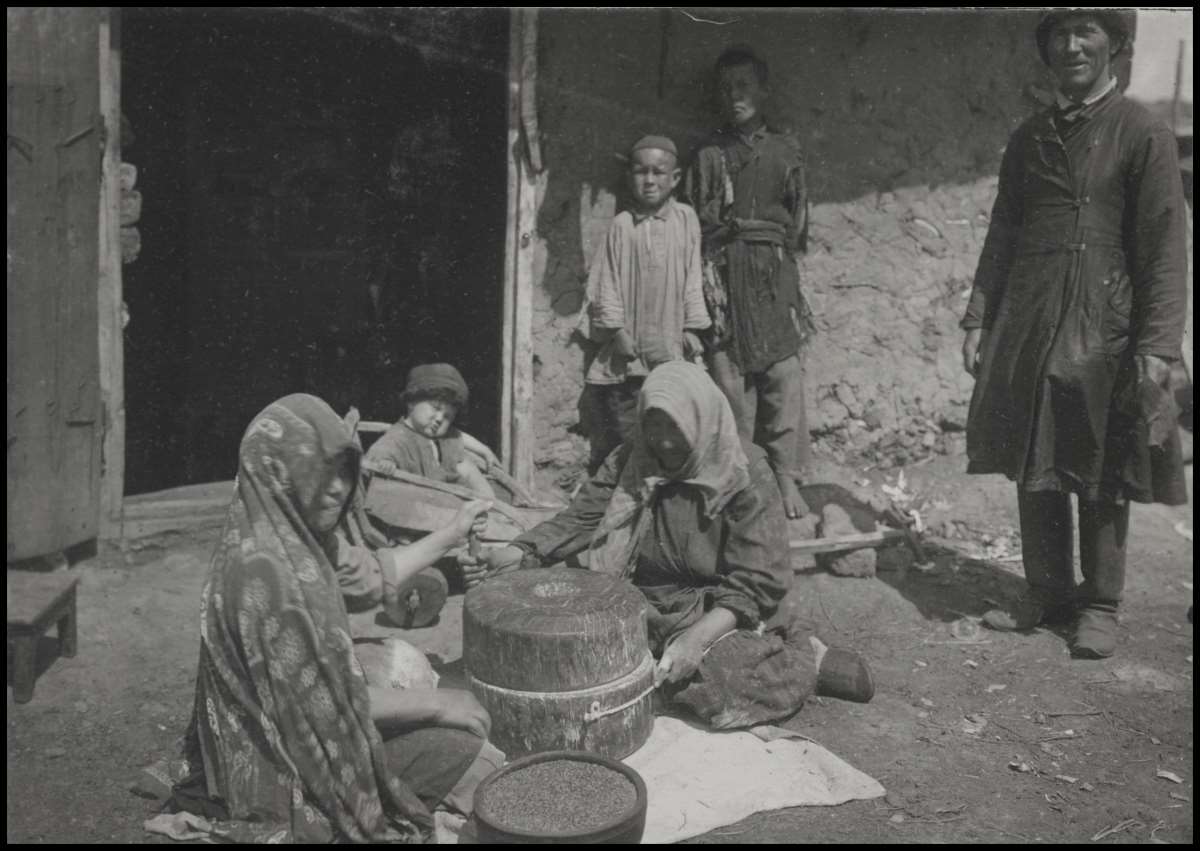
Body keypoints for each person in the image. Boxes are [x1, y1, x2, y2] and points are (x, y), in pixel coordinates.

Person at [157, 394, 502, 842]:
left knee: (401, 661)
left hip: (299, 718)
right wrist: (442, 705)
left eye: (344, 471)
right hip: (282, 766)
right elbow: (331, 708)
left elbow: (374, 573)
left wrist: (453, 532)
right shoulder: (266, 576)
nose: (339, 487)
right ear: (280, 469)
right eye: (322, 471)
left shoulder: (286, 533)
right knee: (476, 758)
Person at [466, 363, 873, 730]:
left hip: (722, 608)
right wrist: (521, 551)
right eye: (653, 425)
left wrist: (695, 640)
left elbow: (758, 581)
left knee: (723, 679)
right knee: (573, 650)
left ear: (701, 418)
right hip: (644, 600)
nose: (662, 442)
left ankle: (804, 659)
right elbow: (583, 518)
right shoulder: (632, 456)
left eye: (673, 426)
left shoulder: (743, 471)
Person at [960, 11, 1188, 658]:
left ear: (1115, 44)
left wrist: (1158, 346)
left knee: (1102, 460)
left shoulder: (1143, 134)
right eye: (1060, 33)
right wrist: (979, 315)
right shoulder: (1029, 137)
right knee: (1036, 456)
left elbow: (1166, 248)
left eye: (1087, 29)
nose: (1072, 44)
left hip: (1106, 323)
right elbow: (1002, 233)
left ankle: (1102, 601)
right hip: (1031, 320)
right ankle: (1048, 588)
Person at [685, 45, 815, 520]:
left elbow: (799, 222)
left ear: (764, 90)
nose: (734, 96)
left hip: (774, 272)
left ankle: (784, 475)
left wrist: (782, 270)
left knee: (783, 376)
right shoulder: (708, 154)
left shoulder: (786, 150)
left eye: (743, 86)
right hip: (724, 273)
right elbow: (698, 223)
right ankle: (741, 481)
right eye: (725, 88)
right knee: (730, 381)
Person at [583, 134, 710, 473]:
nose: (650, 180)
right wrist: (616, 331)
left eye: (659, 172)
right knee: (629, 420)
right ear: (630, 177)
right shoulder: (622, 226)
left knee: (670, 414)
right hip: (631, 349)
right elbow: (607, 281)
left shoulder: (686, 220)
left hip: (669, 343)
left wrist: (692, 327)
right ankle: (627, 483)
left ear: (676, 178)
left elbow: (693, 274)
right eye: (641, 172)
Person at [365, 363, 498, 499]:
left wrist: (484, 450)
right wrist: (386, 464)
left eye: (448, 416)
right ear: (411, 402)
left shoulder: (440, 436)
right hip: (414, 504)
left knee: (466, 465)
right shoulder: (398, 437)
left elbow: (458, 436)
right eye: (435, 408)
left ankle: (491, 505)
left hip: (443, 496)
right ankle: (486, 508)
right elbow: (380, 453)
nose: (440, 418)